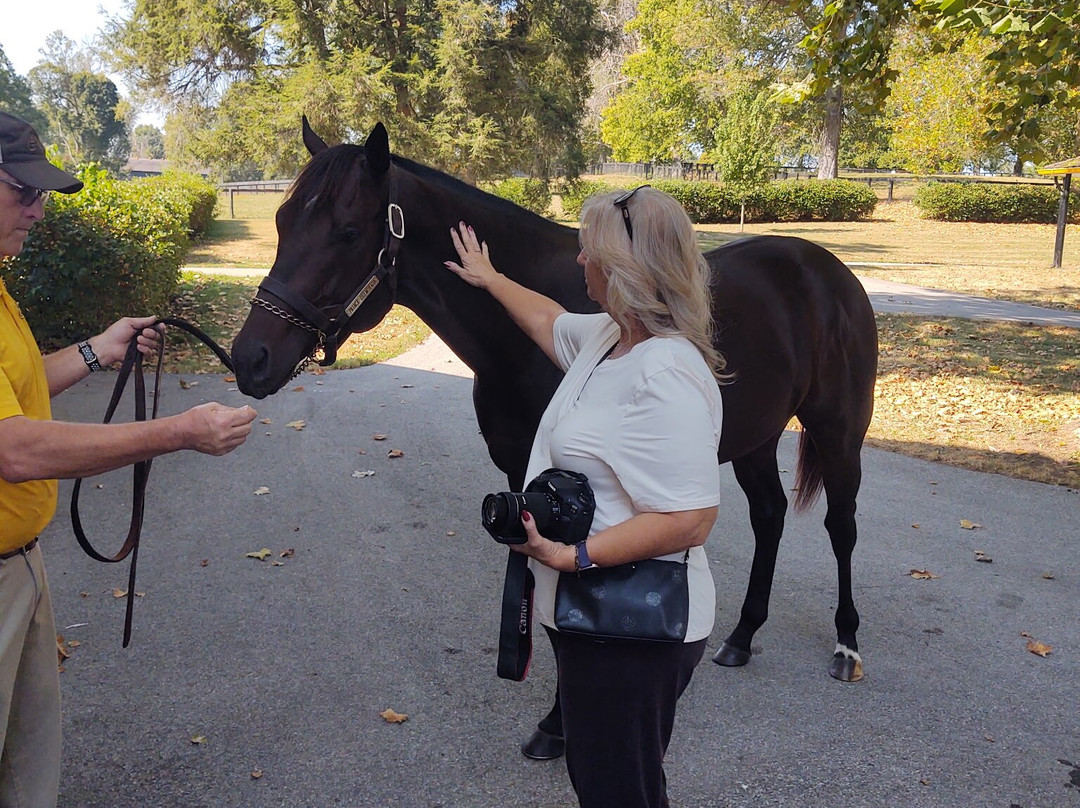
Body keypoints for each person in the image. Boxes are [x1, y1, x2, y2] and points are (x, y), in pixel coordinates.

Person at [0, 109, 258, 808]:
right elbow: (15, 448)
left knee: (26, 771)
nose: (39, 209)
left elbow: (19, 388)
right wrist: (177, 432)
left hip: (20, 568)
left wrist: (98, 349)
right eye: (24, 190)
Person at [445, 185, 725, 808]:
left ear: (623, 265)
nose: (578, 261)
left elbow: (691, 518)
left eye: (587, 249)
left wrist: (573, 557)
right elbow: (547, 320)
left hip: (634, 631)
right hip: (599, 620)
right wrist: (491, 279)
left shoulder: (665, 371)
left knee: (616, 790)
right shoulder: (609, 338)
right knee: (612, 781)